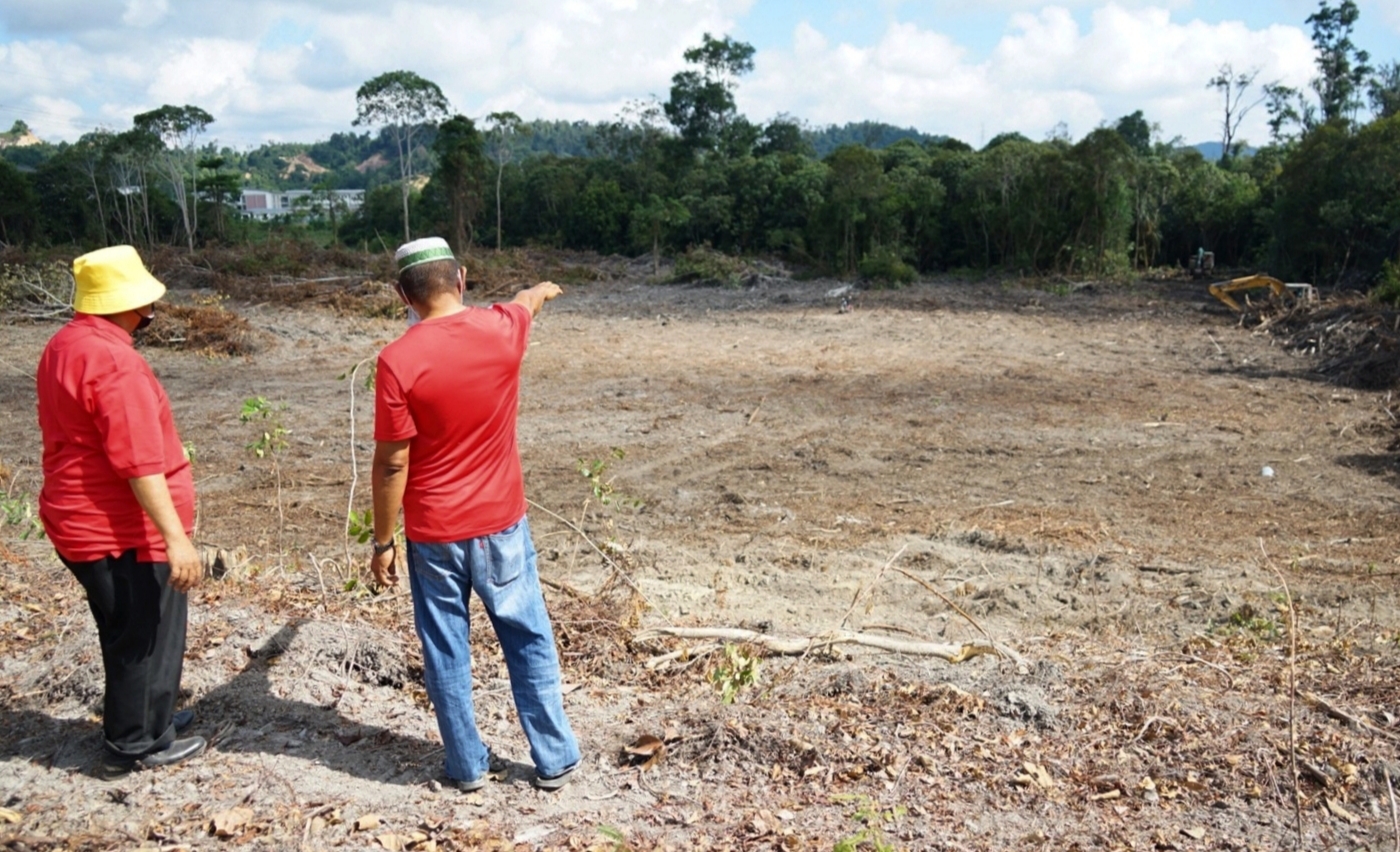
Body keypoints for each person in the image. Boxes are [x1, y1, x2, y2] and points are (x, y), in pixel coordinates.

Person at [370, 237, 580, 792]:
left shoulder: (396, 361)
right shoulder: (502, 329)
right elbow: (525, 303)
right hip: (502, 525)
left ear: (402, 296)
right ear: (461, 279)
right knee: (527, 636)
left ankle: (466, 766)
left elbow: (392, 464)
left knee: (445, 648)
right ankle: (555, 758)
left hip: (433, 534)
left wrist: (382, 542)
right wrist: (540, 290)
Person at [36, 245, 206, 778]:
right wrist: (175, 538)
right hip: (119, 529)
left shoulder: (66, 343)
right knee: (144, 635)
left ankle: (151, 718)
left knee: (126, 628)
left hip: (80, 519)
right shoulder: (114, 362)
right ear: (132, 305)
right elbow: (138, 462)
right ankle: (135, 743)